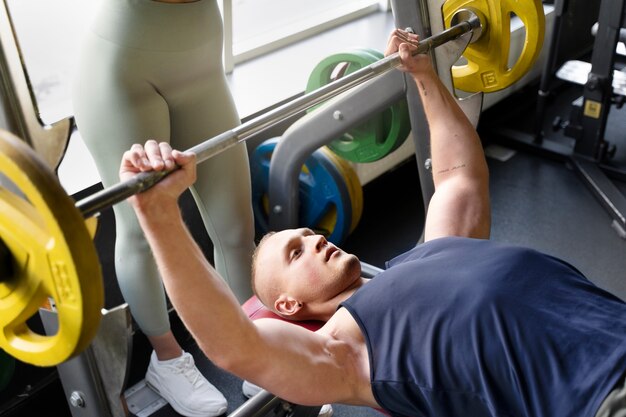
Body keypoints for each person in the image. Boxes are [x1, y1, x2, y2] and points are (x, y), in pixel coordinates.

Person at [120, 29, 626, 417]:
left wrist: (424, 76)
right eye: (296, 253)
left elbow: (458, 178)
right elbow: (237, 346)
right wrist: (160, 215)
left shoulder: (432, 250)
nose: (315, 240)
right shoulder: (345, 354)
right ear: (289, 305)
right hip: (597, 400)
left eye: (309, 235)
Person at [71, 1, 256, 416]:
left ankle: (255, 343)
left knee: (235, 225)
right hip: (121, 67)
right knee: (139, 230)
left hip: (202, 56)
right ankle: (168, 360)